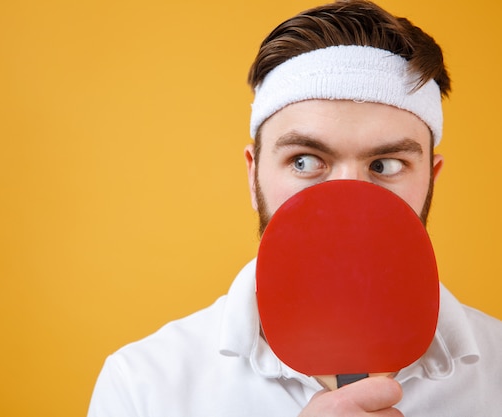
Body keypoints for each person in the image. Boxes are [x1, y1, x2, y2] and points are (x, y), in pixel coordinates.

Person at [87, 1, 502, 415]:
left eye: (385, 165)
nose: (346, 202)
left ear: (432, 178)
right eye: (303, 161)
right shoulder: (142, 386)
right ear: (254, 177)